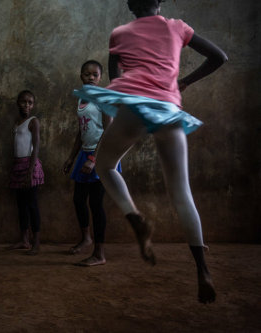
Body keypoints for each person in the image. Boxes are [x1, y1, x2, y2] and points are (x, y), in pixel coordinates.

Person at [73, 0, 227, 303]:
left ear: (130, 4)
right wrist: (181, 82)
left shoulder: (119, 33)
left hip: (134, 108)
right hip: (168, 109)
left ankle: (135, 217)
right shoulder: (177, 27)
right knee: (181, 192)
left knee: (105, 167)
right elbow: (219, 57)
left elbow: (117, 81)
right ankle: (202, 271)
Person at [63, 60, 120, 265]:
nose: (90, 77)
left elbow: (108, 129)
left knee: (96, 204)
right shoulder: (82, 100)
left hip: (101, 156)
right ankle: (86, 238)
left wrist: (94, 159)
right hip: (84, 155)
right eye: (86, 74)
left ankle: (99, 253)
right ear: (81, 76)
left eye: (95, 74)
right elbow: (82, 130)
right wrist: (72, 157)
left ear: (100, 78)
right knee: (79, 200)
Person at [8, 90, 44, 255]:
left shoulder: (33, 121)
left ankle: (36, 242)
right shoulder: (17, 122)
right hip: (18, 166)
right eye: (24, 102)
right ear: (18, 102)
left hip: (30, 165)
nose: (27, 105)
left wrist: (30, 170)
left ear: (33, 105)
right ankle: (24, 240)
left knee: (32, 204)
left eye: (30, 102)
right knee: (21, 205)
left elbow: (36, 146)